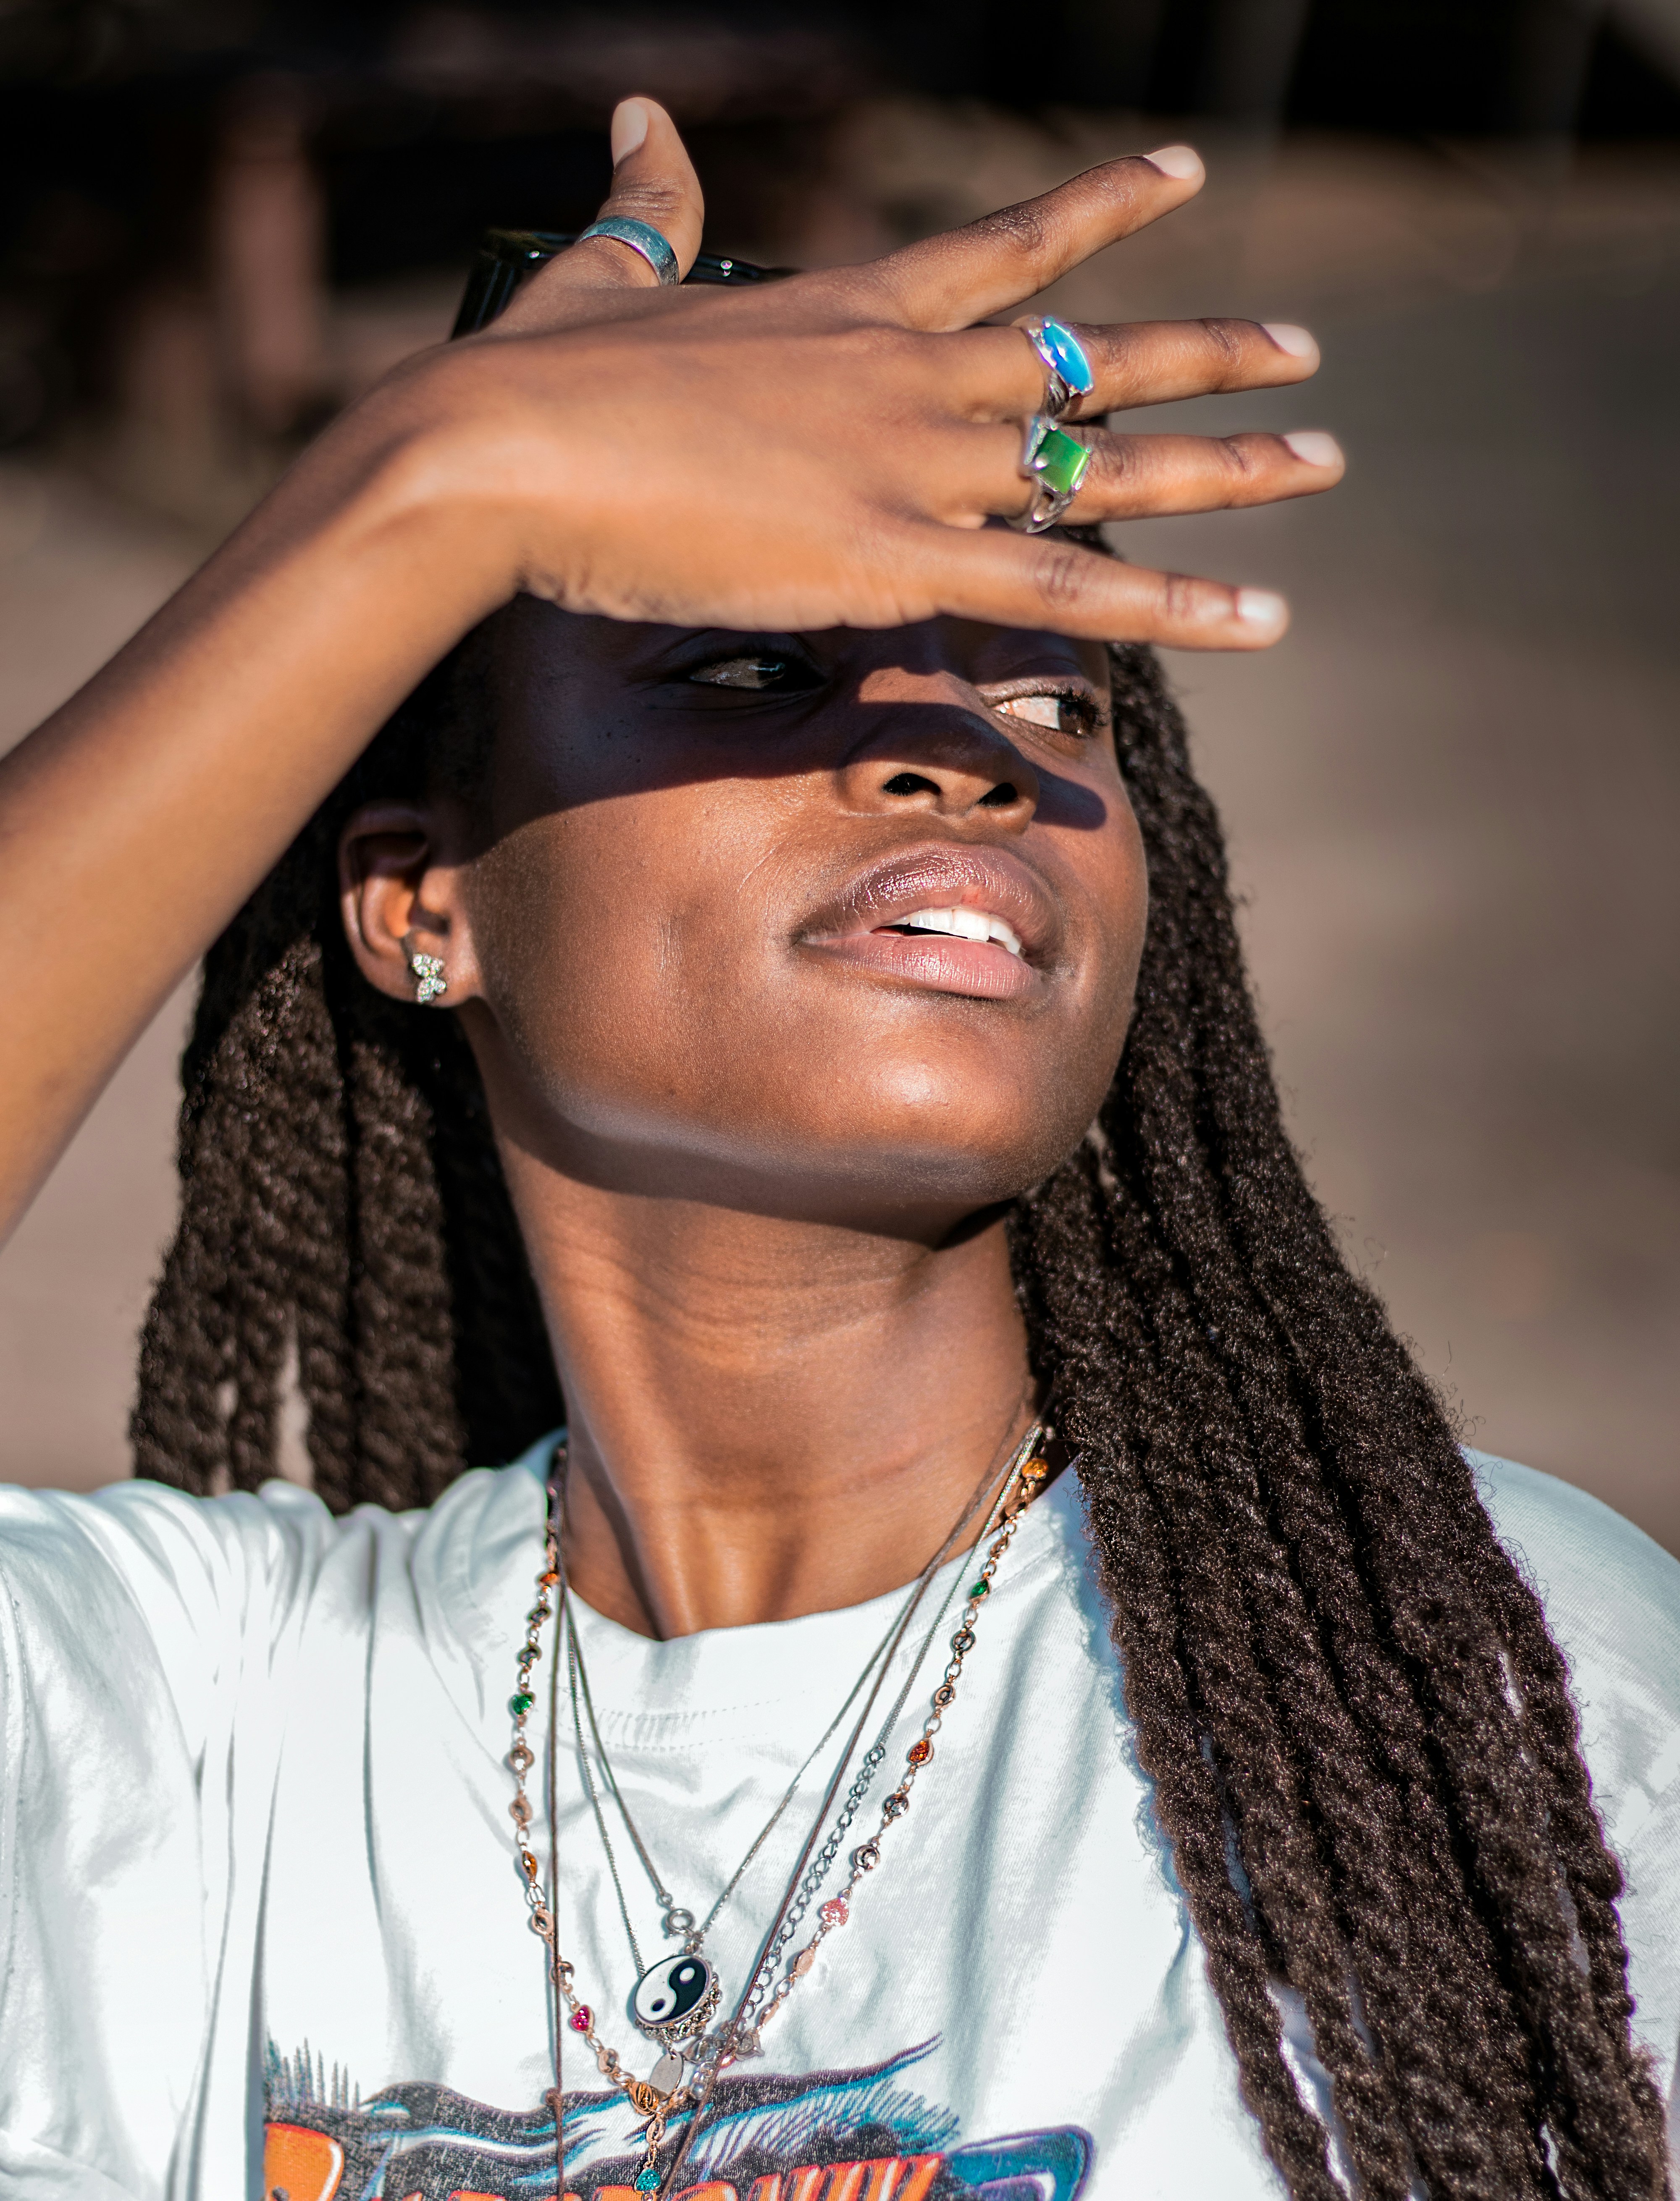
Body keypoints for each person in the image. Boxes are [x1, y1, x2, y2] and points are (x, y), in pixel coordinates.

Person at [0, 96, 1673, 2201]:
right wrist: (423, 490)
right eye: (744, 666)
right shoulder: (191, 1728)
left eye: (1055, 701)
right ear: (422, 900)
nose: (953, 751)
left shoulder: (1470, 1677)